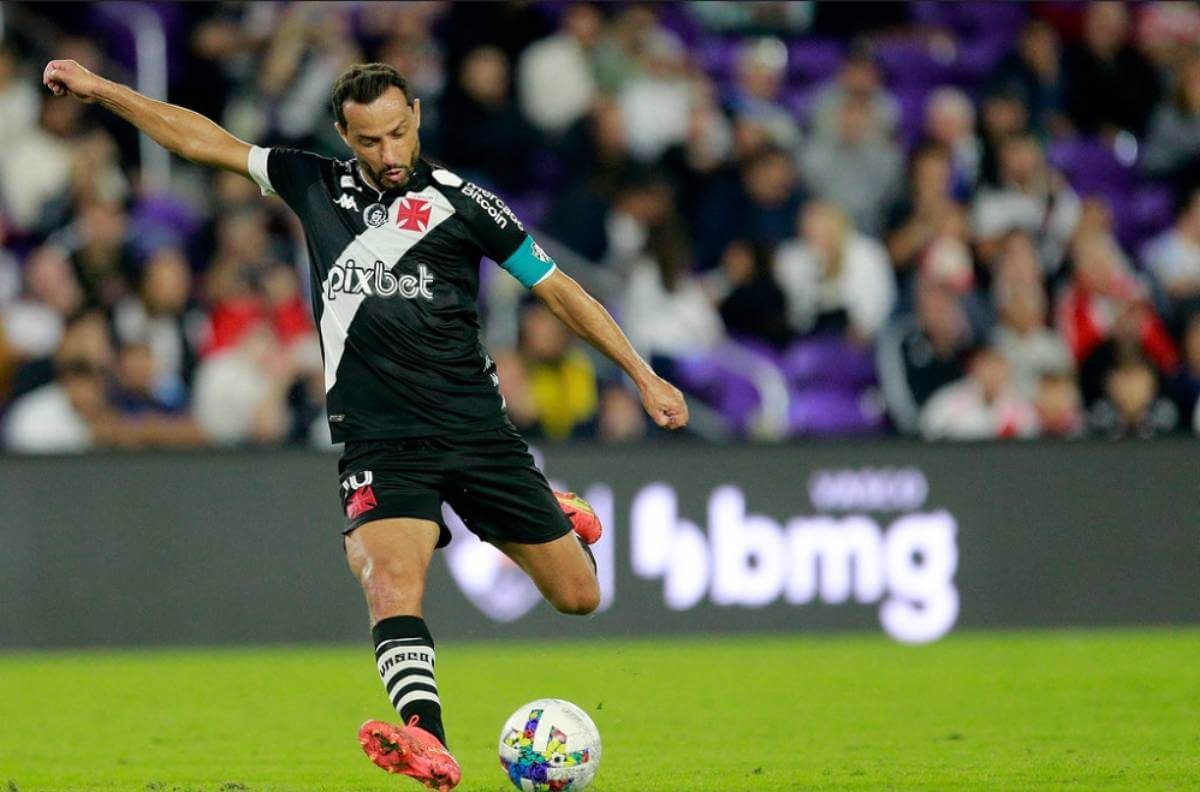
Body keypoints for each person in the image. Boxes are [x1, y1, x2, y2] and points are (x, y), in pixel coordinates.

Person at [43, 58, 688, 790]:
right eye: (370, 141)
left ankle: (555, 514)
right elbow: (199, 140)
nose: (387, 155)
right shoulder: (311, 182)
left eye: (399, 134)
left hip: (475, 432)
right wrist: (104, 91)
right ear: (344, 136)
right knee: (388, 581)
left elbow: (560, 290)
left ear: (416, 114)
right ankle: (428, 742)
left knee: (579, 597)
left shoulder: (464, 202)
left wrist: (642, 374)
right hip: (380, 441)